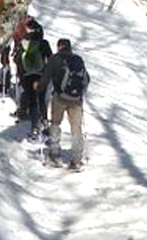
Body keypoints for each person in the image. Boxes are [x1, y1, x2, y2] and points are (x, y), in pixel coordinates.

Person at [39, 38, 90, 170]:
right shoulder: (78, 59)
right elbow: (86, 78)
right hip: (76, 100)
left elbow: (46, 77)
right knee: (76, 128)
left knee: (55, 123)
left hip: (60, 97)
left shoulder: (55, 59)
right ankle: (77, 159)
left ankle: (54, 154)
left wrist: (39, 88)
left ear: (59, 47)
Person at [16, 20, 52, 139]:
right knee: (41, 99)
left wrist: (21, 76)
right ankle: (45, 123)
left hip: (27, 76)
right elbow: (50, 59)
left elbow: (18, 60)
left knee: (32, 101)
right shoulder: (44, 43)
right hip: (41, 76)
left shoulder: (23, 43)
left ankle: (35, 128)